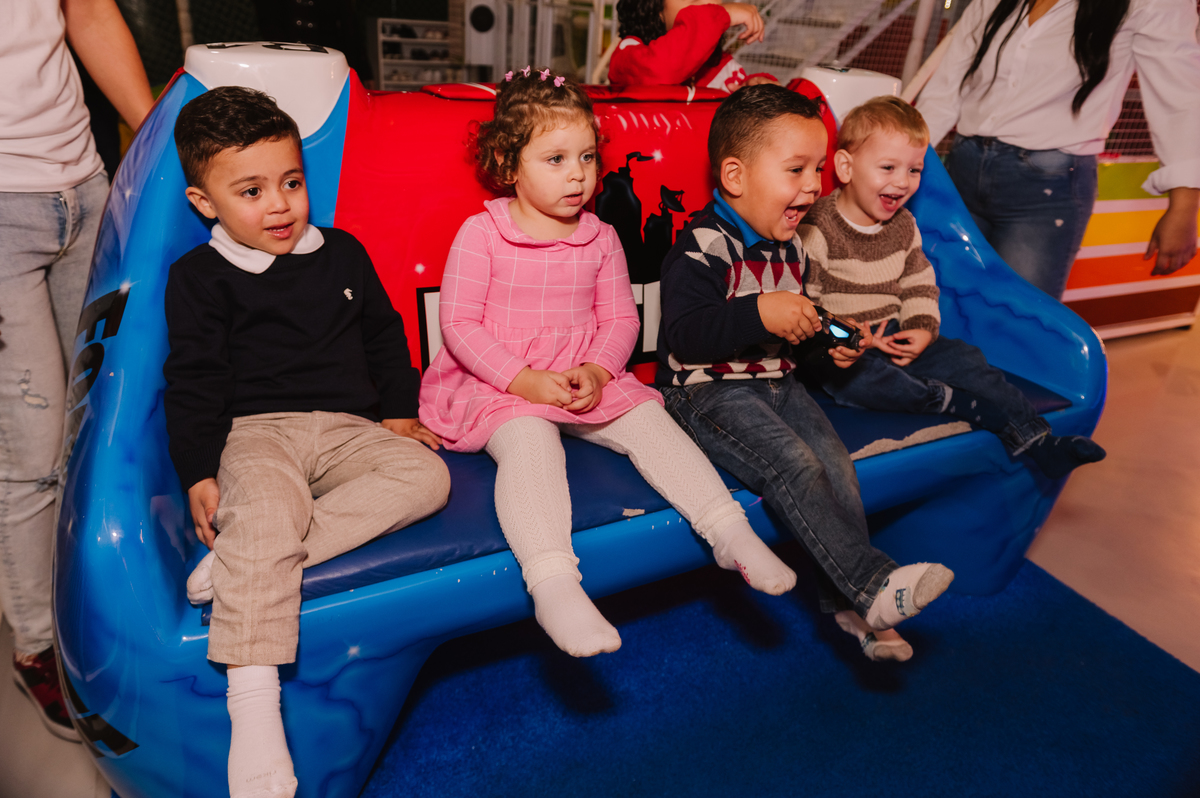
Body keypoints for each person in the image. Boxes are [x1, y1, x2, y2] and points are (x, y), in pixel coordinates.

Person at [419, 67, 798, 660]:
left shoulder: (601, 238)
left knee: (652, 424)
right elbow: (460, 326)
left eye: (588, 157)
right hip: (501, 383)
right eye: (556, 159)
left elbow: (621, 320)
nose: (578, 174)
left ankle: (728, 530)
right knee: (530, 441)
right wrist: (525, 382)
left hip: (581, 374)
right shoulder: (482, 234)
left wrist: (596, 372)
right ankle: (553, 583)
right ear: (508, 163)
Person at [165, 87, 450, 798]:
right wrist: (200, 469)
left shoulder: (343, 253)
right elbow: (194, 378)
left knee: (427, 479)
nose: (281, 205)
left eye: (291, 182)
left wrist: (397, 412)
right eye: (252, 190)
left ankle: (245, 565)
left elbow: (385, 336)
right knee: (265, 500)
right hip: (258, 432)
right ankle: (254, 712)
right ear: (207, 203)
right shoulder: (199, 277)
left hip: (351, 429)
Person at [656, 84, 954, 663]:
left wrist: (833, 348)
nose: (815, 186)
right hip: (707, 391)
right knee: (793, 463)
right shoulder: (700, 245)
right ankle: (872, 586)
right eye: (797, 169)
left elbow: (806, 323)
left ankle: (851, 606)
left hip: (779, 381)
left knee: (835, 464)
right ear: (736, 177)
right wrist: (757, 310)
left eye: (817, 169)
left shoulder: (791, 247)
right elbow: (687, 335)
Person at [798, 95, 1107, 480]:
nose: (902, 181)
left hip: (892, 335)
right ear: (845, 166)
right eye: (888, 167)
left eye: (914, 170)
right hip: (841, 347)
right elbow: (806, 305)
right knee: (858, 381)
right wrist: (851, 337)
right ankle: (948, 401)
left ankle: (1038, 440)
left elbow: (918, 281)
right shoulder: (817, 229)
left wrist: (922, 327)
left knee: (967, 358)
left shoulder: (904, 225)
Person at [1, 0, 154, 742]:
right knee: (29, 453)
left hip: (87, 183)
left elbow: (89, 12)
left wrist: (159, 146)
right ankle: (38, 643)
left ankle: (94, 602)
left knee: (96, 420)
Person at [916, 0, 1200, 299]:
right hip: (961, 168)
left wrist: (1185, 206)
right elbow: (945, 89)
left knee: (1020, 321)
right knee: (940, 305)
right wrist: (902, 162)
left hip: (1045, 193)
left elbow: (1181, 100)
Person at [609, 0, 774, 91]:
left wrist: (757, 88)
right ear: (655, 6)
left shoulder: (724, 68)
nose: (706, 5)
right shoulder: (629, 53)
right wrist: (720, 15)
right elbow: (659, 72)